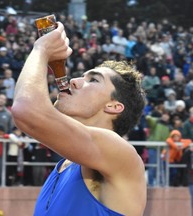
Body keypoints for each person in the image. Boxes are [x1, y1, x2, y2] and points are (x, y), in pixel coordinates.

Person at [11, 22, 146, 215]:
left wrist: (42, 49)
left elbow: (26, 110)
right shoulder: (66, 164)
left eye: (93, 80)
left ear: (114, 106)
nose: (74, 81)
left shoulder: (118, 151)